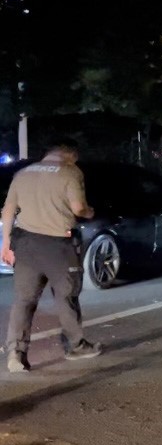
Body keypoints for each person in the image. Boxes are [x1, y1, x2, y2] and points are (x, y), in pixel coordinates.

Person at [3, 139, 103, 373]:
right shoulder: (70, 172)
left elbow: (8, 209)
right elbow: (78, 208)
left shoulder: (23, 173)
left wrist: (6, 244)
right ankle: (76, 346)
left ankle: (16, 354)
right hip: (59, 246)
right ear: (70, 156)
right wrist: (90, 212)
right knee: (66, 296)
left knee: (24, 301)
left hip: (26, 244)